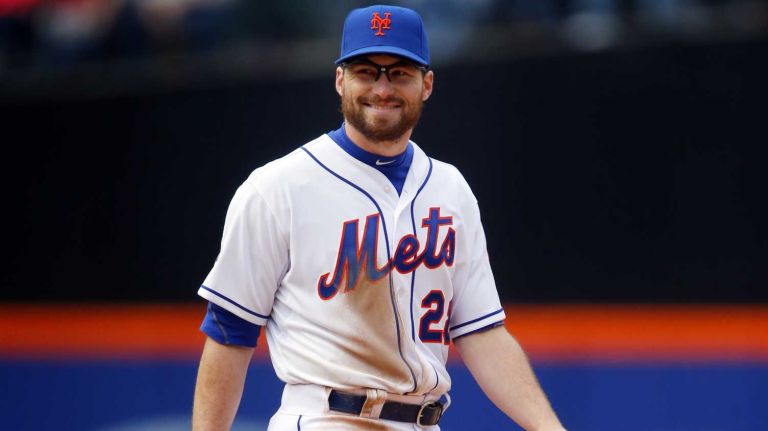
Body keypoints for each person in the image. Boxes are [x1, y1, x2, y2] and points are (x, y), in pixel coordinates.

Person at [192, 5, 566, 431]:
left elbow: (481, 333)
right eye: (366, 72)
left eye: (399, 73)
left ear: (427, 84)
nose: (382, 88)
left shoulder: (451, 189)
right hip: (325, 417)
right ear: (340, 80)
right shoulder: (278, 187)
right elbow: (230, 331)